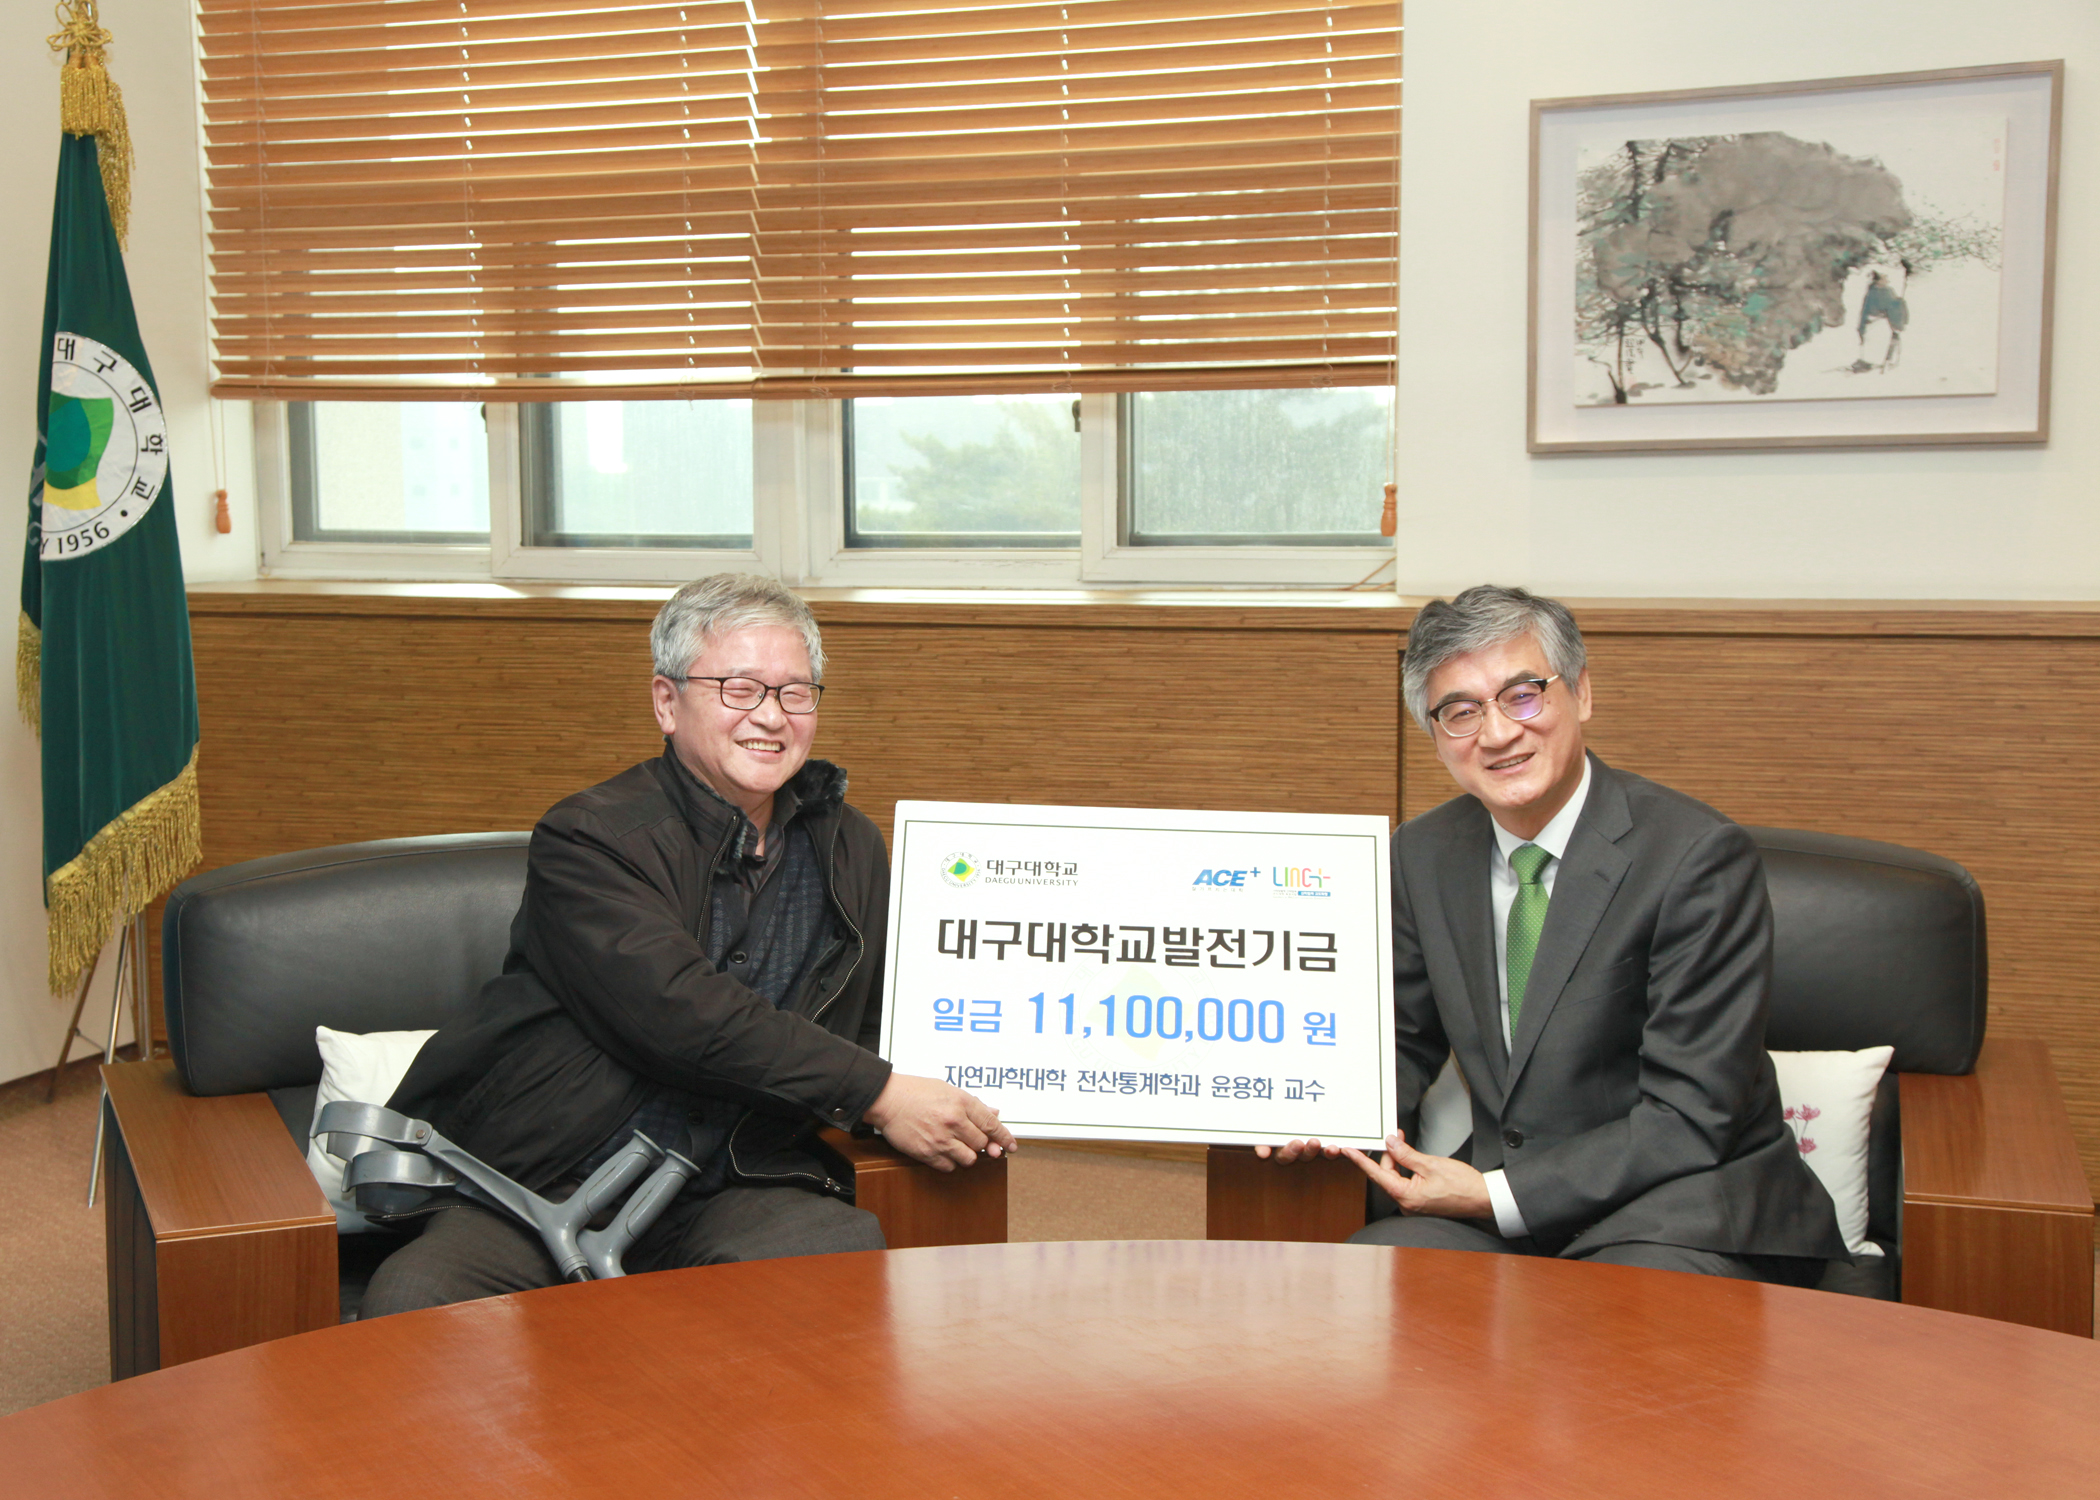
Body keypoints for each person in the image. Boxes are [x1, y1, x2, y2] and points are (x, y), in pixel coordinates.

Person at [362, 574, 1014, 1315]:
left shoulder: (849, 845)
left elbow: (873, 1015)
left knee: (833, 1262)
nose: (770, 716)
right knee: (420, 1300)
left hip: (733, 1176)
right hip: (546, 1175)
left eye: (795, 693)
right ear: (667, 704)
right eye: (740, 689)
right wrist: (880, 1092)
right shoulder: (590, 837)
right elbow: (678, 1011)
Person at [1269, 584, 1842, 1282]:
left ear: (1582, 694)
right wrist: (1319, 1106)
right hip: (1497, 1204)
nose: (1497, 734)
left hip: (1679, 1207)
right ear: (1436, 737)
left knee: (1604, 1326)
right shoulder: (1420, 855)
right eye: (1461, 712)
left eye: (1522, 696)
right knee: (1368, 1287)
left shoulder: (1696, 858)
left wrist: (1496, 1194)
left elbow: (1690, 1116)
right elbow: (1401, 1040)